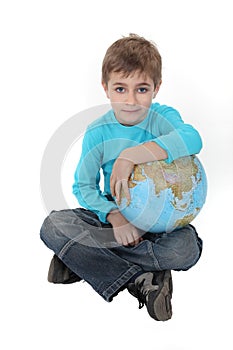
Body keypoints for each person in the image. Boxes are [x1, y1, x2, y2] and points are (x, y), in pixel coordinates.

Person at [40, 34, 203, 321]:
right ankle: (142, 280)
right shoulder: (98, 131)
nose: (130, 100)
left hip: (159, 226)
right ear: (105, 89)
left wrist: (131, 157)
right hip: (115, 224)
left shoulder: (162, 118)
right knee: (54, 226)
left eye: (141, 89)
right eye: (120, 89)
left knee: (186, 249)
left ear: (156, 88)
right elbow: (83, 186)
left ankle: (80, 260)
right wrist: (114, 216)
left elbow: (192, 139)